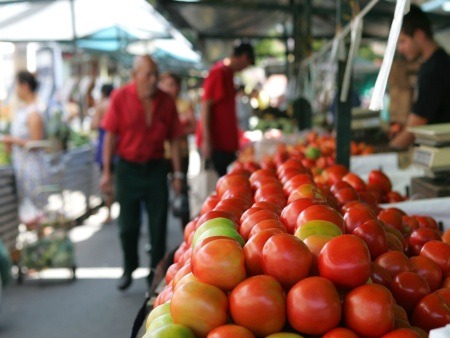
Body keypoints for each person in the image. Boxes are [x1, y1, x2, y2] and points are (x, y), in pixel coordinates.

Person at [100, 56, 184, 291]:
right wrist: (107, 172)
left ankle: (154, 272)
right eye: (147, 74)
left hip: (156, 168)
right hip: (127, 169)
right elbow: (110, 136)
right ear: (134, 76)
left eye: (155, 74)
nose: (153, 80)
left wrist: (178, 175)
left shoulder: (166, 101)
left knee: (158, 225)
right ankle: (129, 266)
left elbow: (175, 139)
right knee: (127, 225)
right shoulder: (120, 97)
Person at [389, 5, 450, 150]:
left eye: (402, 41)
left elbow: (417, 123)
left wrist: (392, 147)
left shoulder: (435, 69)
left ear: (419, 35)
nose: (400, 49)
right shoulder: (433, 63)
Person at [197, 42, 255, 177]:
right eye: (248, 63)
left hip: (226, 145)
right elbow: (205, 107)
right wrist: (207, 140)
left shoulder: (229, 74)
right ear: (244, 57)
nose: (245, 68)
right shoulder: (218, 73)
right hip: (216, 145)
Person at [1, 71, 48, 226]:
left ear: (25, 86)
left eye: (16, 85)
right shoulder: (23, 109)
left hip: (32, 169)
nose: (15, 90)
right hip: (23, 167)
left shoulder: (33, 112)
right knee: (30, 213)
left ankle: (41, 246)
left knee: (35, 213)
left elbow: (35, 142)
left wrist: (11, 140)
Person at [159, 72, 196, 228]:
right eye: (166, 85)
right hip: (161, 156)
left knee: (181, 191)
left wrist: (177, 133)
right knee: (160, 196)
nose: (169, 89)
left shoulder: (184, 105)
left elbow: (194, 127)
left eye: (172, 85)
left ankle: (186, 230)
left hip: (180, 155)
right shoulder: (158, 106)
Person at [90, 83, 114, 224]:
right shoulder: (115, 104)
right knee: (116, 179)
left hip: (105, 142)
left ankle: (109, 211)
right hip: (117, 146)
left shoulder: (101, 106)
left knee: (106, 179)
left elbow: (93, 125)